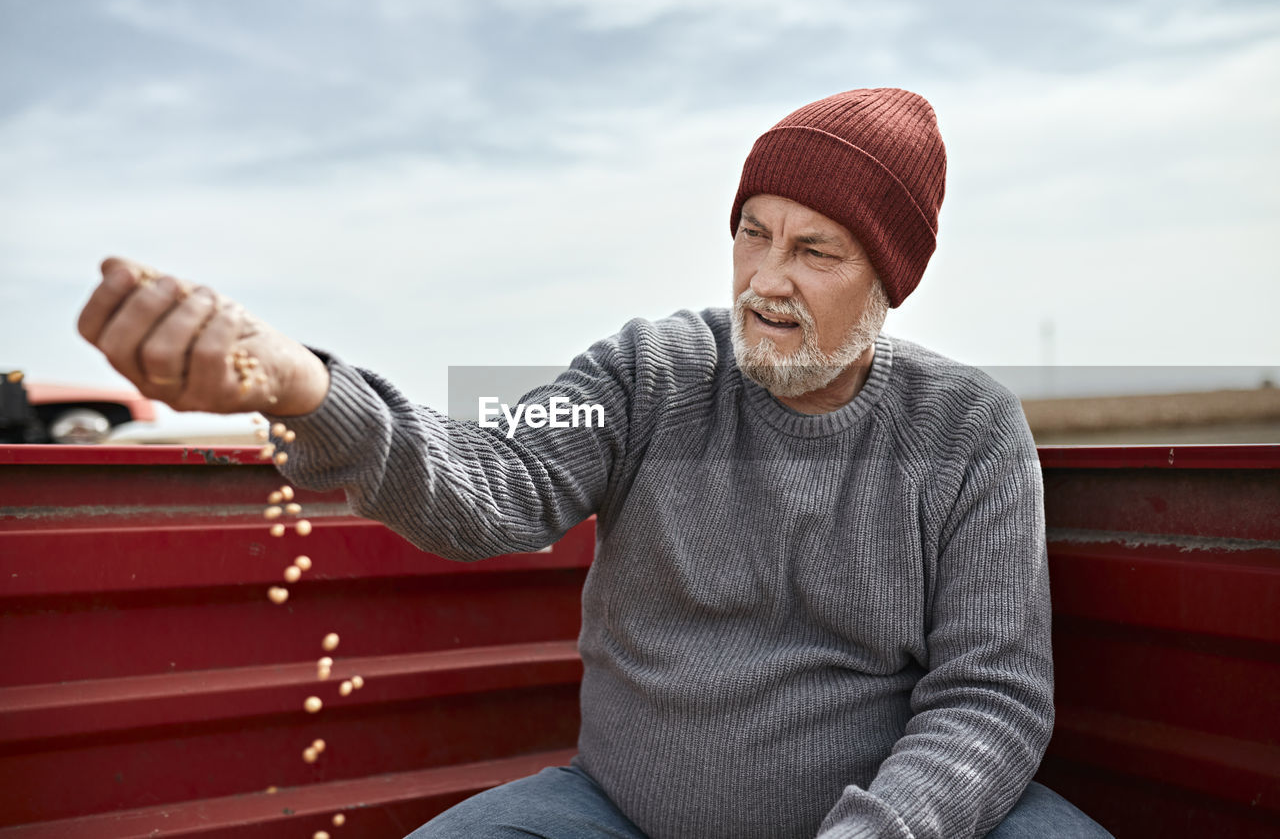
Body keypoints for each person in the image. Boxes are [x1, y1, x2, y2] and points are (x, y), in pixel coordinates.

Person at [77, 88, 1112, 838]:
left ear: (887, 282)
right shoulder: (644, 370)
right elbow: (490, 485)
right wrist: (305, 385)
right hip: (616, 816)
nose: (763, 279)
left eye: (814, 251)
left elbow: (990, 698)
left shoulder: (967, 429)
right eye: (751, 233)